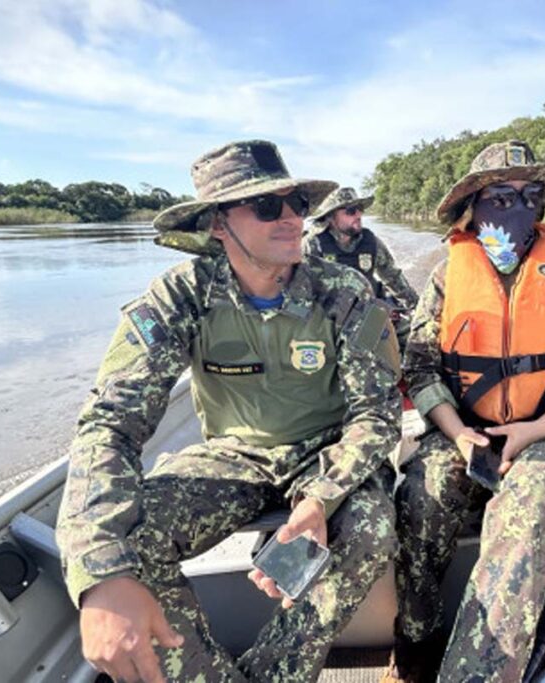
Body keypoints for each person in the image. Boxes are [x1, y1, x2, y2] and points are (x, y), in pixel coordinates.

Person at [55, 140, 402, 683]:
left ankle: (277, 673)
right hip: (234, 456)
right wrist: (100, 571)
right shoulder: (180, 298)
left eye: (295, 204)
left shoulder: (343, 292)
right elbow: (109, 423)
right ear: (219, 224)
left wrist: (320, 499)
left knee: (374, 526)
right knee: (131, 541)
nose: (290, 219)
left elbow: (376, 417)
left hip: (326, 453)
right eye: (267, 207)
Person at [385, 140, 545, 682]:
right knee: (421, 500)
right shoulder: (449, 276)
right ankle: (415, 653)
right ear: (474, 206)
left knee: (528, 508)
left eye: (530, 195)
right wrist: (461, 435)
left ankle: (479, 673)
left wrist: (540, 427)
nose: (517, 207)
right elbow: (420, 368)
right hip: (465, 426)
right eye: (500, 195)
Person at [304, 187, 419, 352]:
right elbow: (301, 290)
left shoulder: (371, 242)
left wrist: (417, 308)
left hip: (370, 311)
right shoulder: (313, 245)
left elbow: (393, 278)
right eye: (350, 211)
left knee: (418, 337)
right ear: (331, 218)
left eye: (360, 210)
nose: (358, 215)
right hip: (331, 318)